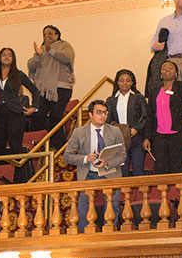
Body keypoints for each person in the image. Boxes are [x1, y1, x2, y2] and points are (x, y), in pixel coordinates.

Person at [64, 100, 125, 232]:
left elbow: (122, 156)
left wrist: (107, 162)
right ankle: (85, 235)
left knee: (113, 205)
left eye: (105, 113)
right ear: (90, 114)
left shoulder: (115, 131)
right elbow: (67, 156)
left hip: (110, 173)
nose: (103, 116)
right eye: (99, 112)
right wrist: (86, 158)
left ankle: (110, 233)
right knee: (82, 207)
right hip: (88, 173)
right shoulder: (79, 132)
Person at [143, 61, 182, 174]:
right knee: (160, 168)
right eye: (164, 68)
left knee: (176, 167)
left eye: (170, 68)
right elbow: (149, 115)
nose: (167, 70)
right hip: (159, 136)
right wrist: (147, 137)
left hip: (178, 135)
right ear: (160, 73)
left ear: (176, 73)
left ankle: (177, 192)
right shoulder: (154, 90)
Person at [0, 47, 39, 158]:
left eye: (9, 55)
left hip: (16, 115)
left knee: (16, 148)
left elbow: (35, 90)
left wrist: (34, 107)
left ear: (13, 59)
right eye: (4, 54)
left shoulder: (19, 74)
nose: (7, 57)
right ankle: (0, 173)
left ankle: (18, 175)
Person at [27, 25, 75, 150]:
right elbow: (31, 67)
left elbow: (67, 58)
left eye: (50, 33)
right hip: (44, 90)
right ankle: (41, 146)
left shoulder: (64, 46)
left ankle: (59, 148)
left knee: (56, 117)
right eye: (44, 34)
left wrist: (51, 51)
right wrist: (38, 55)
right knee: (39, 117)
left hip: (61, 89)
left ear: (57, 35)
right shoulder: (41, 49)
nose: (46, 36)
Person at [106, 69, 146, 177]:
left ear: (132, 83)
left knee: (138, 170)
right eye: (122, 80)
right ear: (117, 82)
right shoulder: (111, 100)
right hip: (120, 140)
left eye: (128, 80)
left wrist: (136, 129)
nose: (125, 83)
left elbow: (146, 117)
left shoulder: (138, 97)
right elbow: (108, 120)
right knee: (122, 172)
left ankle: (140, 193)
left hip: (136, 138)